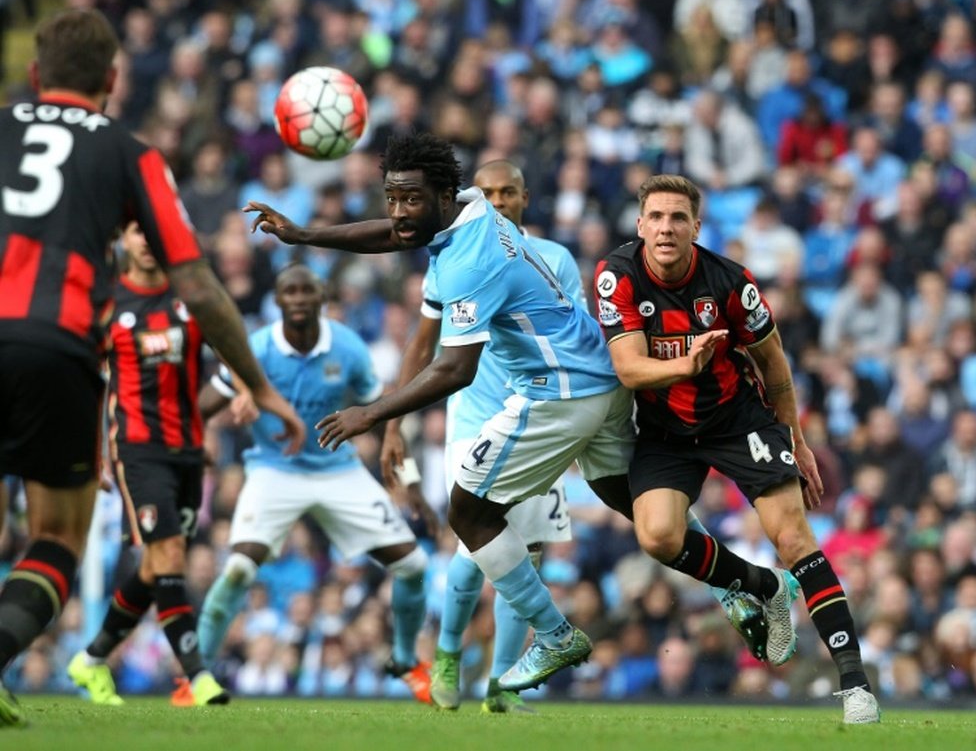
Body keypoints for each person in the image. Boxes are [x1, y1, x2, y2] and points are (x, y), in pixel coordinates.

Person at [243, 133, 790, 695]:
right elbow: (397, 233)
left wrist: (372, 413)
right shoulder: (473, 208)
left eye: (411, 199)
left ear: (443, 194)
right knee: (624, 495)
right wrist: (304, 234)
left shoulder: (469, 262)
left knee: (469, 513)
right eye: (393, 198)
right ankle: (754, 584)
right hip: (600, 378)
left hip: (559, 392)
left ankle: (552, 635)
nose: (400, 212)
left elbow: (454, 369)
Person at [0, 9, 304, 728]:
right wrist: (258, 386)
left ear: (36, 75)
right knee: (55, 535)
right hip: (59, 346)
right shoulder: (130, 153)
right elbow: (197, 284)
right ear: (111, 81)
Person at [380, 159, 770, 713]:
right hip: (475, 415)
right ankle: (447, 654)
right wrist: (394, 421)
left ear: (524, 196)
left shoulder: (554, 259)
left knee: (538, 544)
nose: (497, 199)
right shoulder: (455, 256)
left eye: (508, 192)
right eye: (487, 191)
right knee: (472, 544)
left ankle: (500, 684)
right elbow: (424, 344)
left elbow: (583, 339)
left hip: (545, 407)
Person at [593, 173, 881, 724]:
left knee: (795, 536)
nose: (666, 228)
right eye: (656, 217)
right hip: (665, 430)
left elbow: (773, 363)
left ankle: (855, 684)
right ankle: (761, 585)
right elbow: (629, 368)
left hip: (738, 420)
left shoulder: (730, 282)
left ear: (696, 227)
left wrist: (796, 437)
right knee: (656, 537)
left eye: (678, 217)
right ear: (640, 225)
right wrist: (686, 364)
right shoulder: (617, 276)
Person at [196, 264, 433, 703]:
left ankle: (404, 658)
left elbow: (379, 415)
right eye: (291, 292)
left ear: (322, 299)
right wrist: (192, 448)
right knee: (237, 570)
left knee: (415, 567)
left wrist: (409, 481)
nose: (300, 299)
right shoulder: (258, 349)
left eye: (309, 291)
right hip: (273, 469)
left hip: (336, 470)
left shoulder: (348, 349)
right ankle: (195, 677)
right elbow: (205, 406)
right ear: (279, 302)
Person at [66, 221, 239, 707]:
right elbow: (86, 383)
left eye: (152, 232)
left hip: (187, 449)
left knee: (155, 569)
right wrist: (92, 451)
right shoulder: (108, 305)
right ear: (123, 238)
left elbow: (229, 349)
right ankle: (197, 676)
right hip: (137, 453)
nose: (145, 242)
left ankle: (92, 659)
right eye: (137, 232)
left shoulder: (190, 299)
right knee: (169, 559)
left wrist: (243, 390)